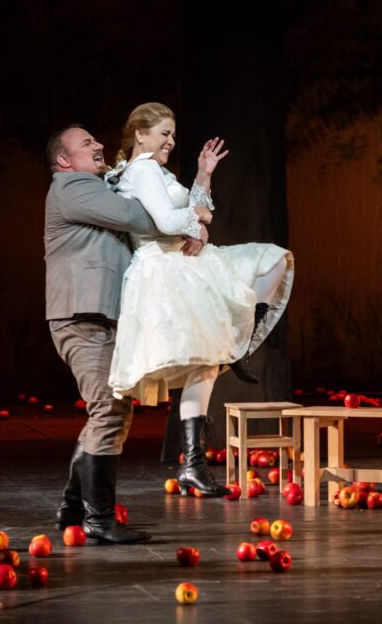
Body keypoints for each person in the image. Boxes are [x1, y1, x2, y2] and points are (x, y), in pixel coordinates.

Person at [105, 102, 293, 497]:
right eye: (164, 134)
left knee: (271, 262)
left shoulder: (156, 171)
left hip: (185, 262)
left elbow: (195, 209)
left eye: (173, 135)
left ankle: (194, 460)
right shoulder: (142, 170)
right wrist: (200, 223)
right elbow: (168, 221)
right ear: (140, 134)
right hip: (167, 267)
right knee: (203, 363)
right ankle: (193, 461)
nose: (171, 141)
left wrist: (203, 175)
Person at [45, 124, 193, 544]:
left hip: (102, 317)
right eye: (86, 143)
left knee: (111, 411)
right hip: (82, 316)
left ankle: (74, 509)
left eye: (96, 140)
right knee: (109, 411)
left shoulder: (96, 187)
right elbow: (133, 216)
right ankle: (99, 519)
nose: (98, 145)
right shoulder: (71, 187)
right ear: (64, 160)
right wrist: (177, 216)